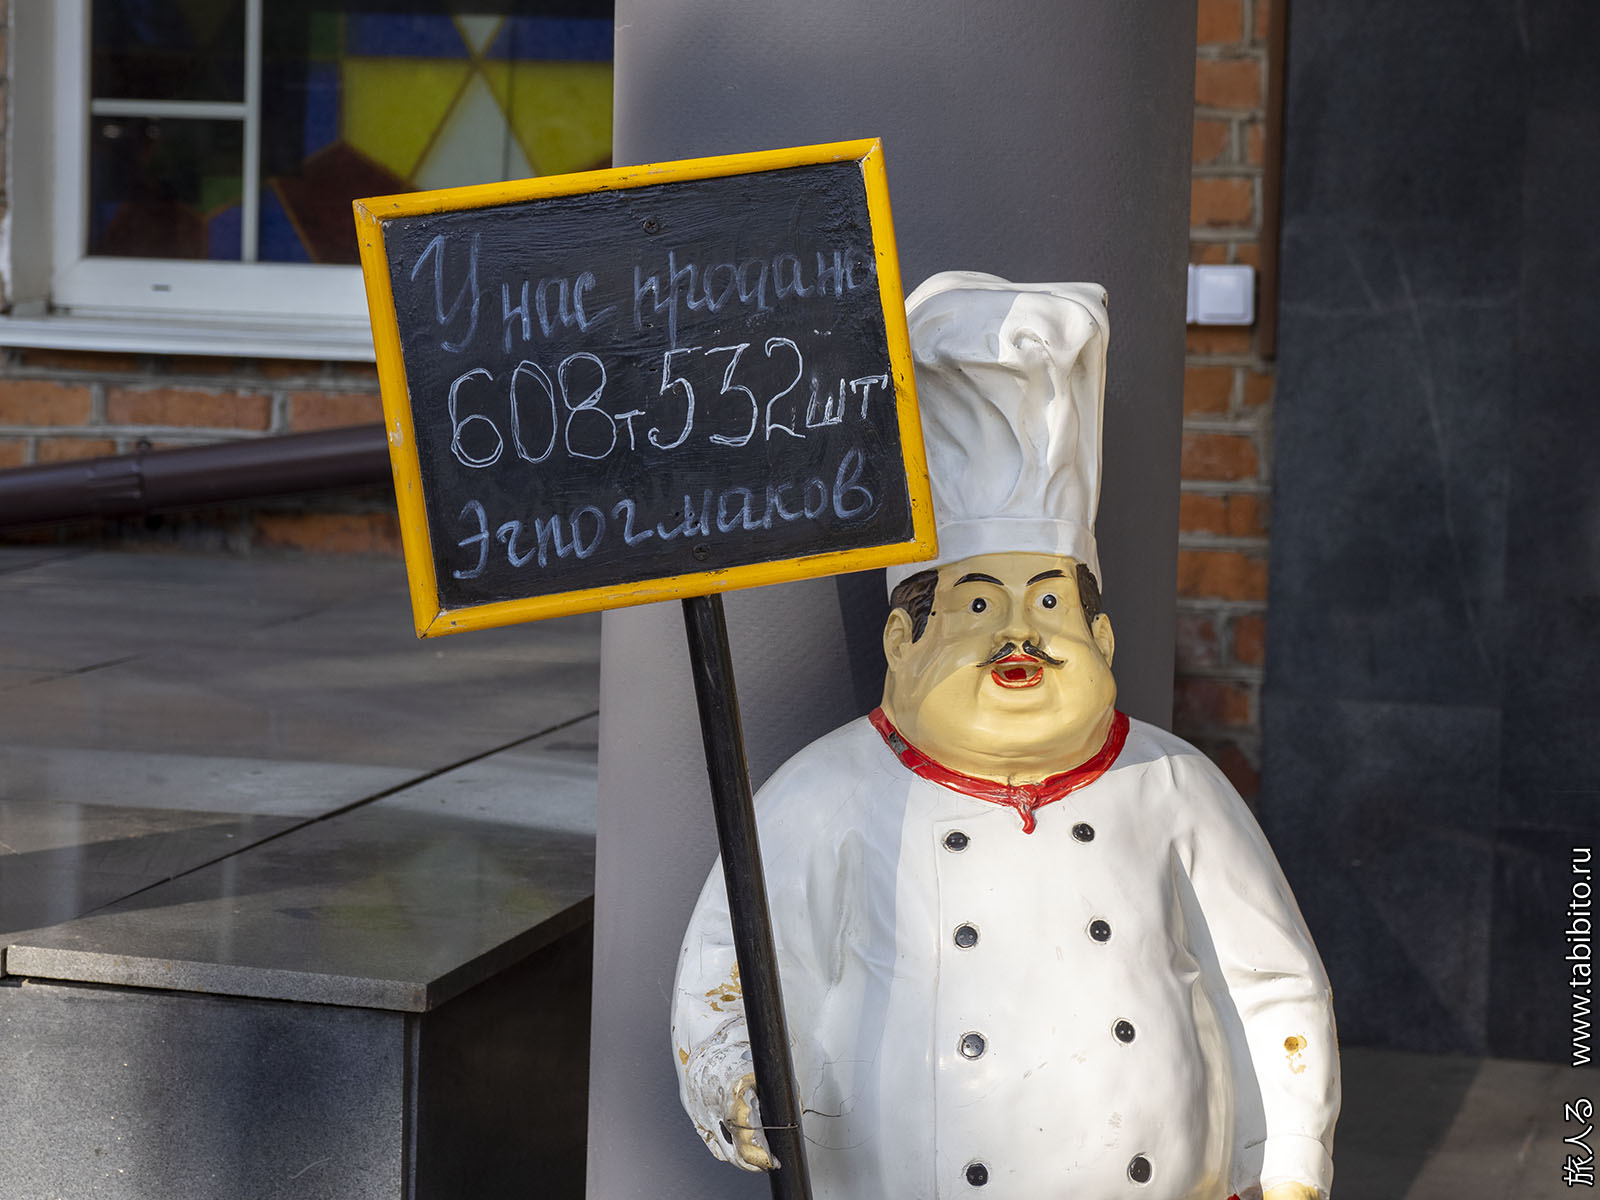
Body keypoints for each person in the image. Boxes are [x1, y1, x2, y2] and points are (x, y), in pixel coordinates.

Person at [672, 272, 1339, 1200]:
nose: (1019, 636)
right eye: (979, 606)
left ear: (1102, 636)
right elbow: (735, 969)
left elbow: (1272, 983)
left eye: (1051, 604)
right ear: (902, 641)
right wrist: (733, 1077)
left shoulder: (1173, 783)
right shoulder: (831, 793)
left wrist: (1293, 1163)